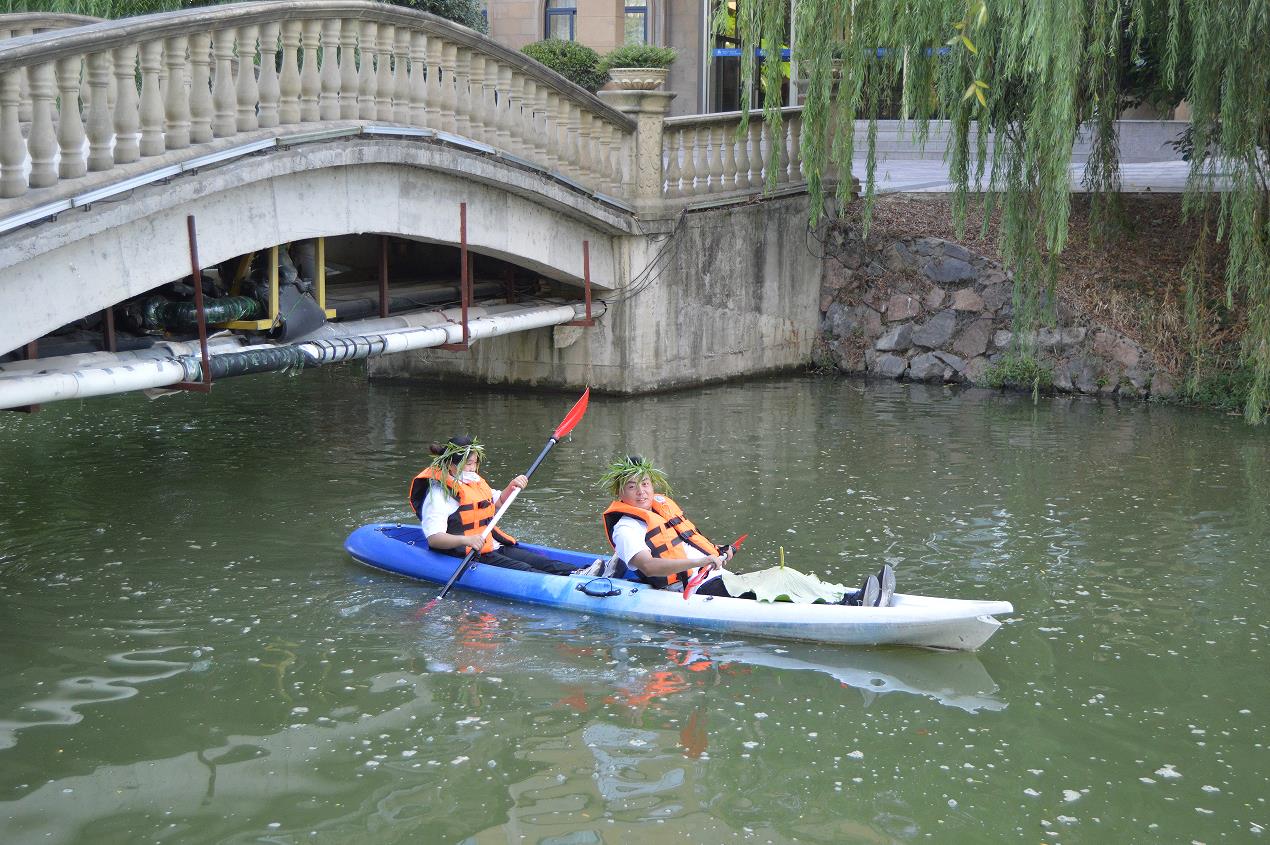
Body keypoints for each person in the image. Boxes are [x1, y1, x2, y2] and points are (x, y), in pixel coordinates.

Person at [598, 455, 895, 605]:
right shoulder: (626, 527)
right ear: (620, 492)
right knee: (781, 578)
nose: (641, 492)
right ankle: (853, 602)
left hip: (713, 577)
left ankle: (850, 593)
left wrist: (717, 553)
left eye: (645, 484)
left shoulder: (661, 507)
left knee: (784, 577)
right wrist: (702, 562)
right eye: (632, 487)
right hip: (689, 591)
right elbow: (649, 564)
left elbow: (686, 544)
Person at [408, 435, 575, 576]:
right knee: (526, 570)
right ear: (450, 465)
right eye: (468, 463)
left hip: (492, 545)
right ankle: (577, 589)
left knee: (544, 562)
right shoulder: (439, 495)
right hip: (468, 554)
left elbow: (499, 503)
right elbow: (434, 539)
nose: (473, 468)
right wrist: (467, 540)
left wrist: (512, 486)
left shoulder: (474, 482)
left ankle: (583, 574)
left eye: (474, 462)